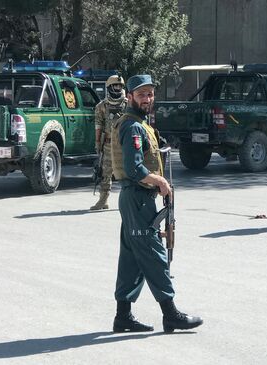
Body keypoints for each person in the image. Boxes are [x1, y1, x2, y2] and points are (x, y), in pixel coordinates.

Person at [110, 75, 203, 333]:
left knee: (131, 258)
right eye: (141, 94)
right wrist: (160, 181)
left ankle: (123, 316)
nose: (147, 99)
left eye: (150, 94)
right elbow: (134, 168)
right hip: (138, 198)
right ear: (129, 96)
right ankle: (170, 313)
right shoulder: (133, 127)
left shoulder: (138, 123)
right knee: (153, 253)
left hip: (136, 198)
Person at [90, 75, 127, 210]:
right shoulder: (102, 106)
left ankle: (128, 201)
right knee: (105, 174)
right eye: (115, 86)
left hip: (124, 144)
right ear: (109, 88)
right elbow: (98, 125)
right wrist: (97, 142)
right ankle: (103, 200)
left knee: (127, 174)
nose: (117, 89)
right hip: (108, 144)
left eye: (120, 86)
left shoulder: (128, 104)